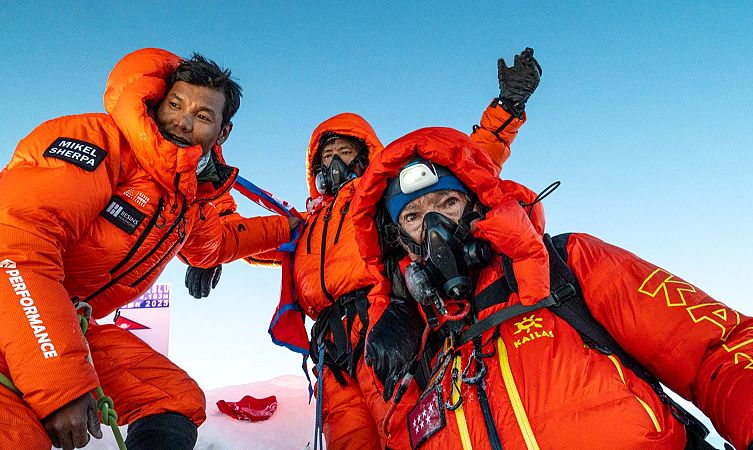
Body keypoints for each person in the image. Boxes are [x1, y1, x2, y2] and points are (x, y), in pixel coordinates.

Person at [350, 127, 753, 449]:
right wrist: (401, 343)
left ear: (478, 204)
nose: (436, 228)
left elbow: (711, 347)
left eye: (448, 203)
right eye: (413, 217)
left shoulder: (570, 265)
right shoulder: (416, 346)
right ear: (399, 243)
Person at [184, 48, 542, 449]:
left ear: (365, 157)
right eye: (328, 157)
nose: (335, 164)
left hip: (386, 327)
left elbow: (466, 161)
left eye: (345, 153)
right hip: (331, 355)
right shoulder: (300, 227)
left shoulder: (382, 207)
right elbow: (233, 235)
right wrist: (204, 241)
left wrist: (507, 107)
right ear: (317, 170)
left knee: (410, 434)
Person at [0, 48, 297, 450]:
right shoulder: (98, 143)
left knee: (171, 399)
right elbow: (16, 245)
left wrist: (291, 226)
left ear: (223, 132)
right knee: (20, 437)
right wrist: (60, 383)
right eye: (175, 104)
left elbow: (218, 243)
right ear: (157, 103)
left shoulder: (185, 197)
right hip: (17, 306)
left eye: (204, 116)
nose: (183, 120)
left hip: (63, 321)